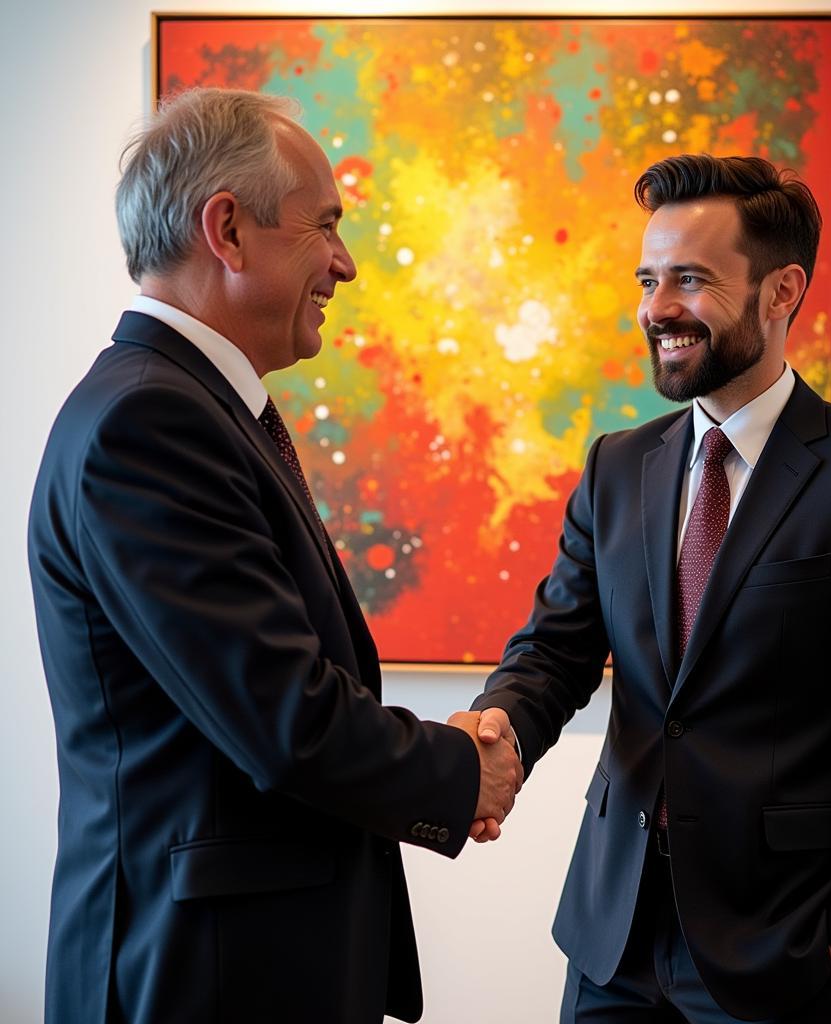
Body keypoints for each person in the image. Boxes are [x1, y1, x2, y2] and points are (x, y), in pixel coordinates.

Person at [28, 87, 521, 1024]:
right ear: (229, 229)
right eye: (325, 226)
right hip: (200, 977)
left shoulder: (185, 405)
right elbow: (281, 718)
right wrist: (462, 770)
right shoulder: (151, 420)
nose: (344, 263)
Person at [466, 154, 831, 1023]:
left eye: (690, 279)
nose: (657, 308)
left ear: (782, 291)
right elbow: (554, 652)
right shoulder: (616, 468)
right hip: (610, 940)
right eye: (647, 279)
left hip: (783, 953)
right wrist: (496, 728)